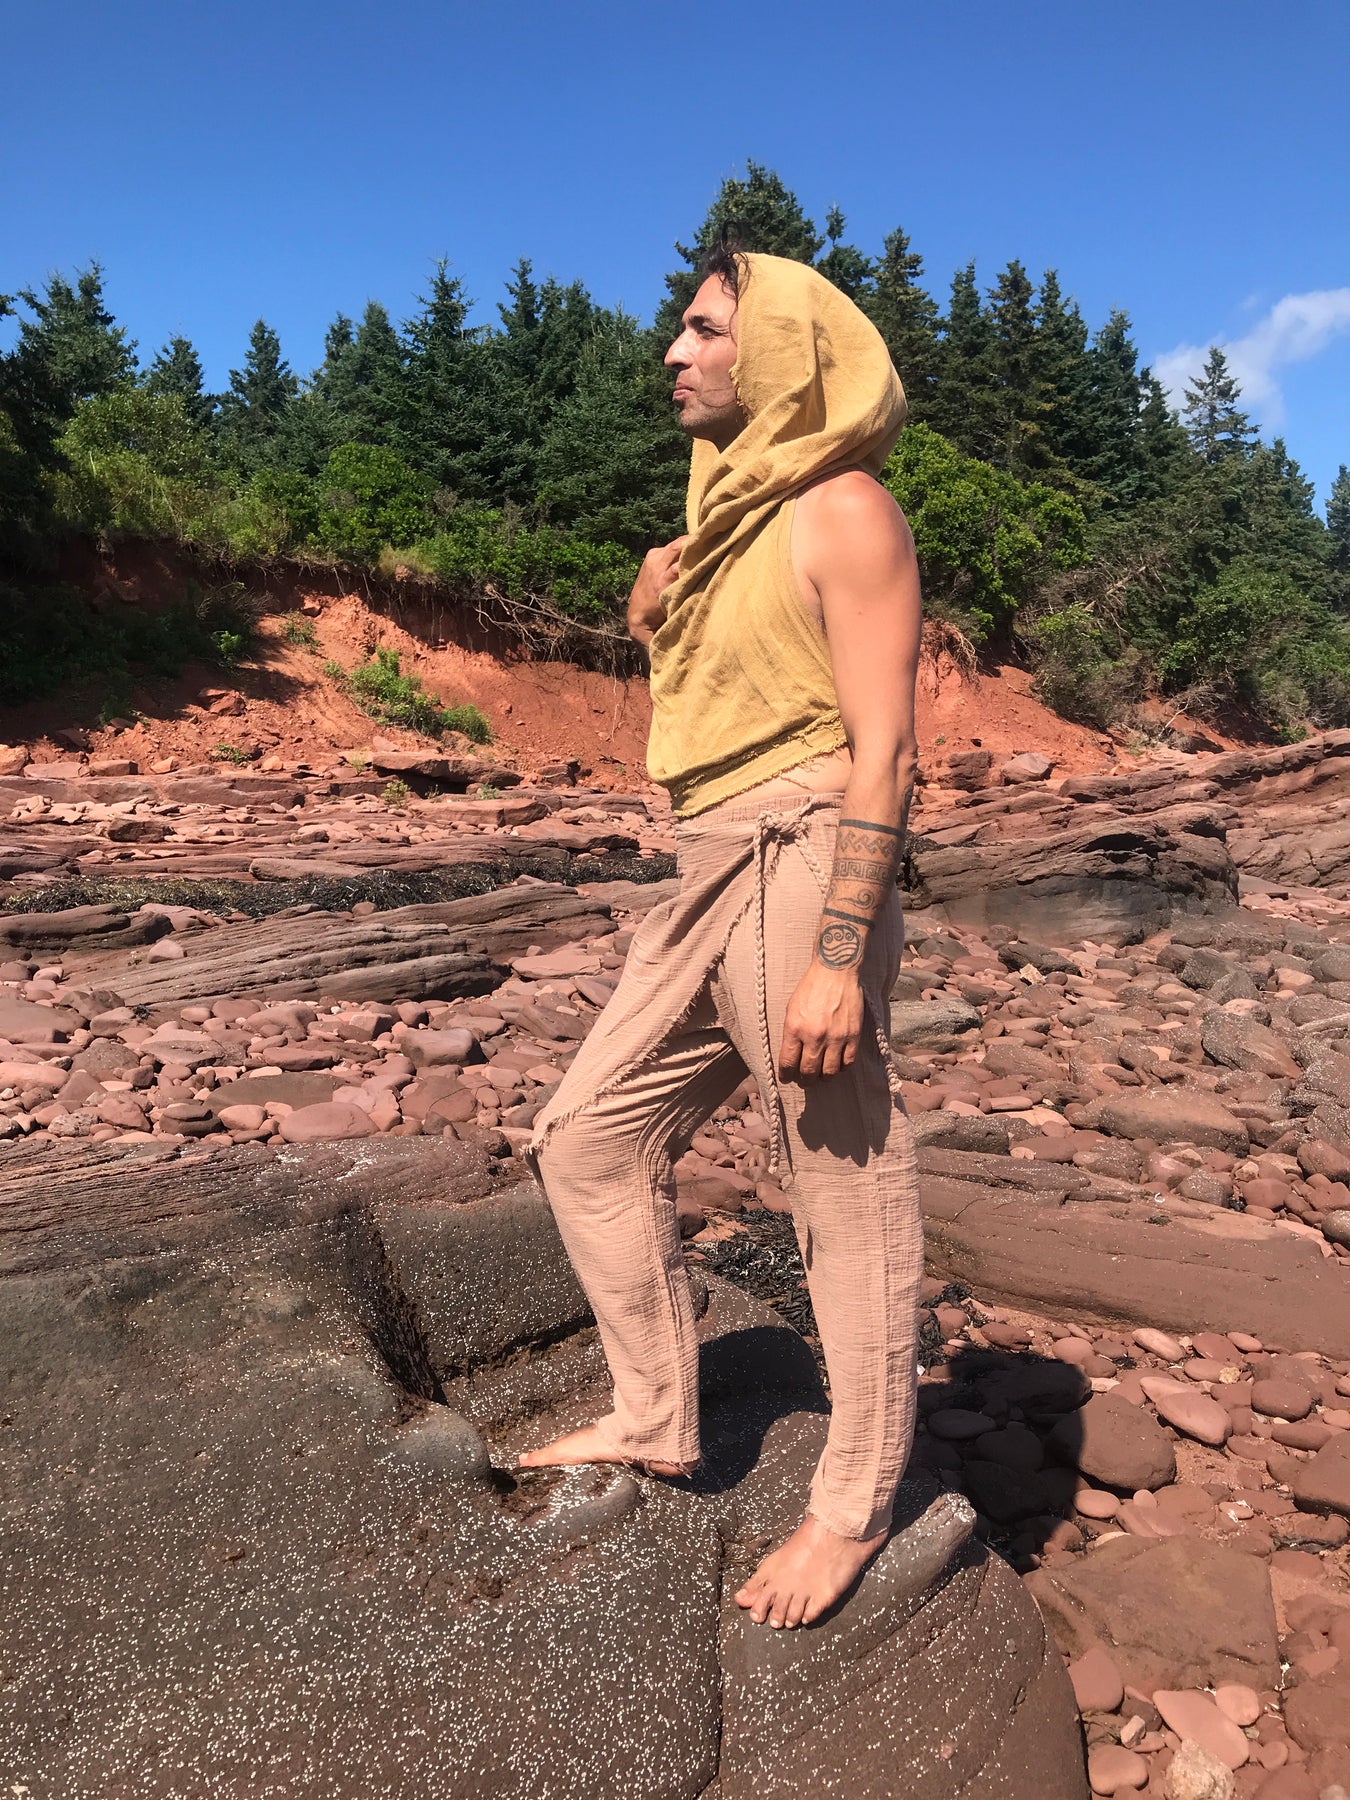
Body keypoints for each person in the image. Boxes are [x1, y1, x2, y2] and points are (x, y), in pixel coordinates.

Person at [521, 246, 924, 1633]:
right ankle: (653, 1413)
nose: (674, 355)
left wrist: (838, 956)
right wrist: (650, 619)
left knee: (840, 1181)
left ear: (784, 353)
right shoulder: (717, 530)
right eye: (680, 332)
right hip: (705, 862)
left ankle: (851, 1505)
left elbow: (885, 748)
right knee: (586, 1137)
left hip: (802, 851)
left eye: (703, 331)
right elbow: (722, 701)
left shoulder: (842, 510)